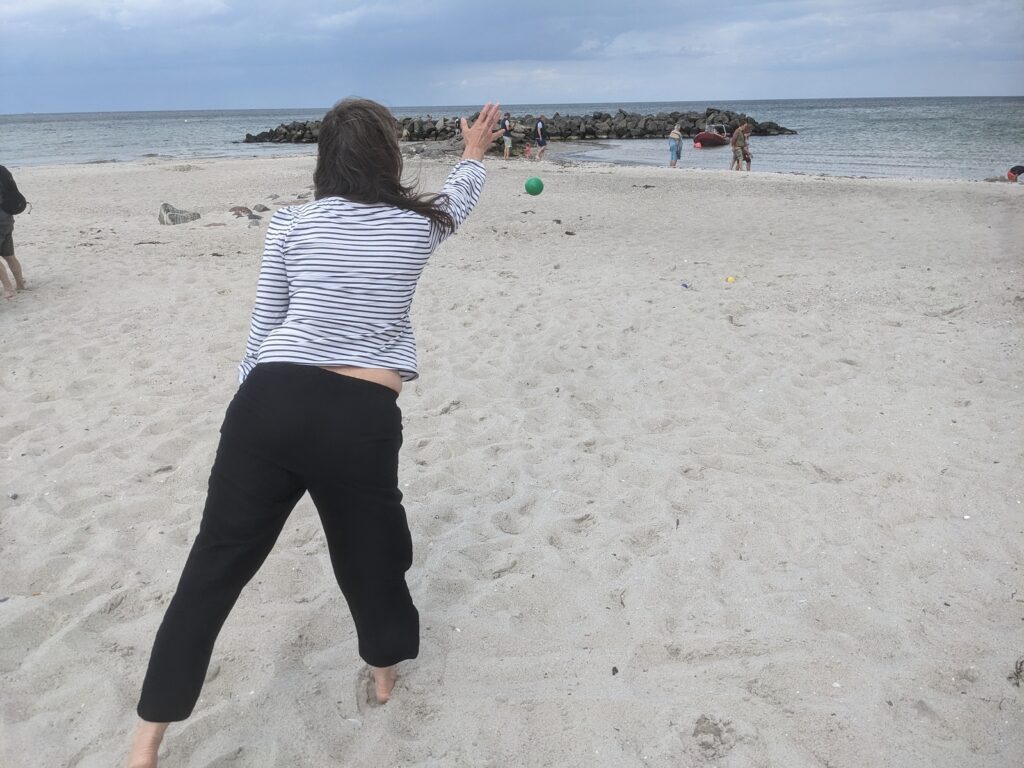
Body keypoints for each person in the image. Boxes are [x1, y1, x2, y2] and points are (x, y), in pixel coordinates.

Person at [125, 98, 504, 768]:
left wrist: (254, 403)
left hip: (270, 401)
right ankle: (384, 675)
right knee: (370, 555)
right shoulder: (419, 225)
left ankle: (147, 740)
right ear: (388, 155)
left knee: (212, 569)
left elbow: (264, 325)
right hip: (357, 415)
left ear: (325, 158)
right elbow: (459, 197)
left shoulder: (292, 223)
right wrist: (472, 152)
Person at [0, 165, 27, 299]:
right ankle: (20, 284)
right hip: (8, 217)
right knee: (9, 255)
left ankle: (8, 288)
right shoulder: (2, 169)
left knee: (7, 255)